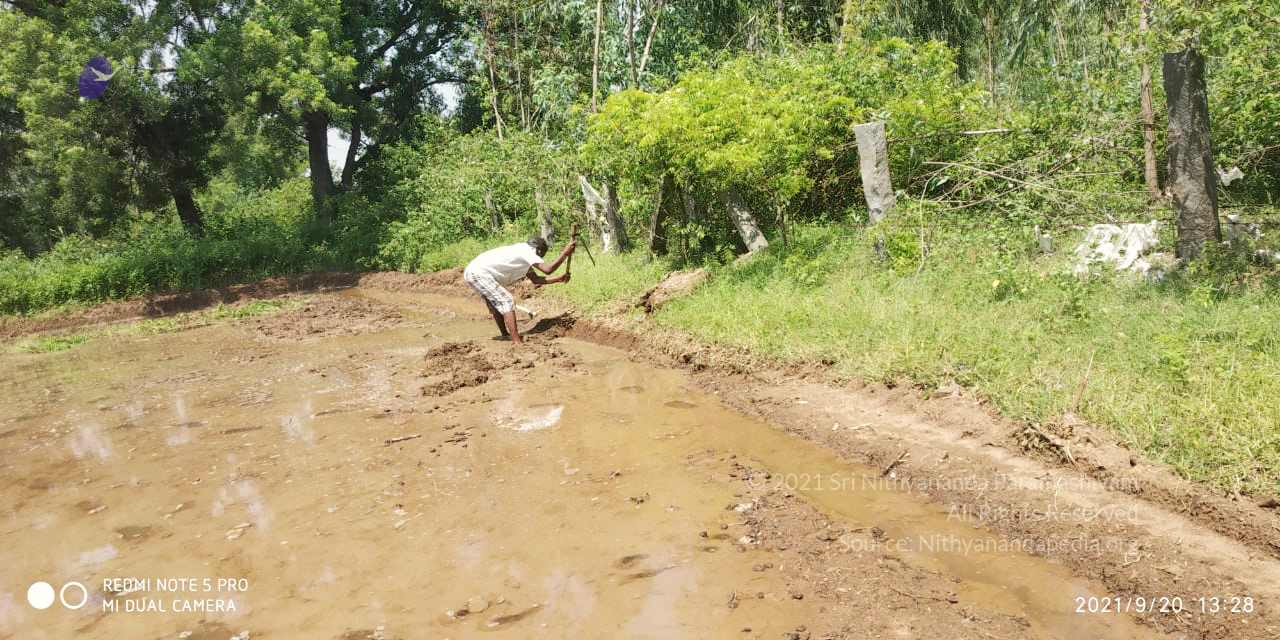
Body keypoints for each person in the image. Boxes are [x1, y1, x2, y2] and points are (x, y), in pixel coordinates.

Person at [463, 237, 576, 344]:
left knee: (496, 303)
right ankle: (517, 342)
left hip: (474, 272)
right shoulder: (528, 252)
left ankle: (505, 335)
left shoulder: (522, 254)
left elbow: (536, 280)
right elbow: (548, 270)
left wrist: (558, 279)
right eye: (541, 255)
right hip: (479, 273)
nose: (540, 259)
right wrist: (565, 253)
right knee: (507, 301)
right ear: (538, 251)